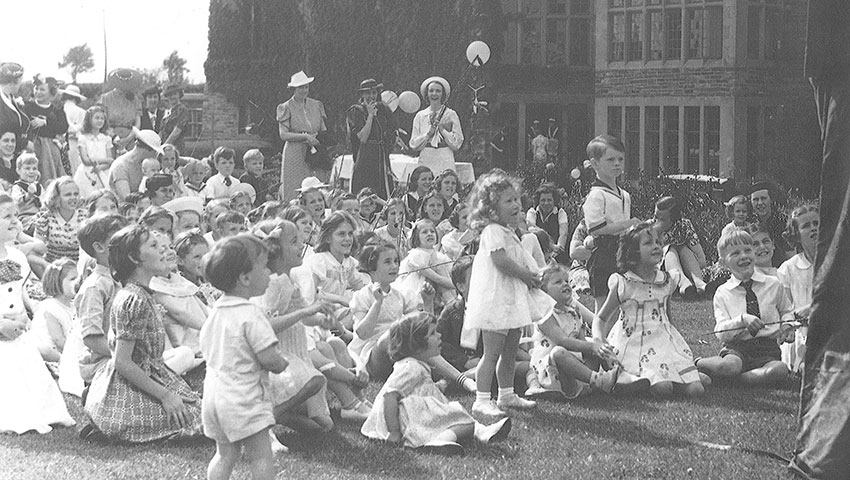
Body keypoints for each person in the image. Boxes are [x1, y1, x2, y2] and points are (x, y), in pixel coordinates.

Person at [83, 224, 203, 442]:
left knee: (205, 410)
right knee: (206, 420)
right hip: (128, 393)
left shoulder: (141, 293)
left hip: (151, 376)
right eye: (154, 245)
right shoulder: (134, 299)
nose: (164, 251)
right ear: (135, 258)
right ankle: (110, 424)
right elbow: (122, 362)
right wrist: (166, 396)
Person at [464, 169, 555, 418]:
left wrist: (535, 274)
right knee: (491, 353)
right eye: (508, 201)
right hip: (496, 302)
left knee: (510, 351)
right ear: (492, 209)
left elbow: (521, 260)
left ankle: (506, 394)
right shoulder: (493, 231)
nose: (516, 204)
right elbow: (501, 262)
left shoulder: (509, 232)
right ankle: (482, 399)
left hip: (511, 300)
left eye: (516, 199)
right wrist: (526, 276)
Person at [200, 233, 289, 479]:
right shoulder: (251, 313)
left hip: (214, 398)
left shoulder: (215, 312)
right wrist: (281, 363)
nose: (269, 273)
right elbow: (269, 357)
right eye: (263, 267)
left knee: (225, 454)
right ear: (245, 277)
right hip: (244, 398)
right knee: (260, 455)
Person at [361, 312, 511, 455]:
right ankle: (442, 439)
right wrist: (393, 432)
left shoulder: (418, 364)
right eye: (432, 333)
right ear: (417, 345)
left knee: (453, 408)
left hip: (411, 413)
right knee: (463, 421)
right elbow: (389, 396)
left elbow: (417, 389)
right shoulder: (410, 367)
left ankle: (483, 432)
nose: (439, 336)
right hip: (404, 419)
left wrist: (438, 387)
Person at [592, 222, 704, 398]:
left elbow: (667, 317)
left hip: (663, 342)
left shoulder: (666, 280)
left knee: (697, 390)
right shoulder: (624, 284)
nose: (656, 246)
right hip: (633, 345)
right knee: (663, 388)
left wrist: (676, 346)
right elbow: (601, 318)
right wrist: (598, 341)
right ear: (633, 252)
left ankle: (683, 374)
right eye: (648, 243)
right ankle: (626, 380)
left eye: (658, 242)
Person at [0, 194, 75, 434]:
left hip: (17, 332)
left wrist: (25, 315)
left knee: (30, 373)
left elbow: (18, 292)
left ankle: (41, 410)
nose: (15, 222)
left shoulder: (17, 257)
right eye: (7, 217)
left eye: (15, 215)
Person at [252, 220, 335, 434]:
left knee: (324, 428)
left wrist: (320, 320)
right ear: (274, 250)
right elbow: (265, 326)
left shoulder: (289, 279)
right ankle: (266, 419)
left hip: (297, 352)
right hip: (277, 355)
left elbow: (305, 318)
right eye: (294, 241)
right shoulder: (272, 283)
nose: (302, 245)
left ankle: (284, 415)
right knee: (315, 380)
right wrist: (303, 313)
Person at [527, 264, 647, 400]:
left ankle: (620, 376)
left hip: (577, 371)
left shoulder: (573, 312)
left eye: (566, 281)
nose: (565, 284)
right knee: (558, 352)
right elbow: (563, 341)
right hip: (554, 374)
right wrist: (592, 346)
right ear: (544, 292)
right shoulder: (544, 316)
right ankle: (600, 381)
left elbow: (582, 341)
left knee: (598, 345)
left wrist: (597, 347)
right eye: (558, 282)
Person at [695, 229, 794, 387]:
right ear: (723, 262)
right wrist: (742, 320)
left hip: (768, 350)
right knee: (729, 366)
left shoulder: (773, 284)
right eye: (735, 253)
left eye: (748, 250)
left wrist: (788, 326)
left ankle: (737, 380)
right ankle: (699, 364)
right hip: (737, 348)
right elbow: (720, 331)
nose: (743, 256)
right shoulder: (723, 293)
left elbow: (786, 311)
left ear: (754, 253)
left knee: (780, 369)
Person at [58, 214, 127, 396]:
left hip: (127, 355)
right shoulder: (95, 287)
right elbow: (91, 338)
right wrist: (124, 357)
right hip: (104, 361)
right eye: (120, 240)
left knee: (182, 355)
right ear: (99, 247)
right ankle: (98, 390)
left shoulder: (124, 277)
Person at [582, 135, 639, 310]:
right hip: (603, 254)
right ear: (595, 164)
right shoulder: (596, 195)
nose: (617, 164)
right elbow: (597, 229)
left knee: (625, 301)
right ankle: (600, 335)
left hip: (623, 252)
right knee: (605, 304)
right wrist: (627, 224)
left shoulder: (625, 195)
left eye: (620, 159)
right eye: (611, 159)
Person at [777, 205, 818, 374]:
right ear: (796, 234)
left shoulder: (838, 262)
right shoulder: (788, 269)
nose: (813, 228)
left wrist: (813, 308)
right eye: (806, 225)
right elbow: (785, 310)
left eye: (816, 223)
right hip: (802, 331)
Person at [277, 71, 328, 200]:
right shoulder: (286, 107)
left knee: (315, 184)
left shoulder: (316, 105)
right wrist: (304, 137)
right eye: (300, 87)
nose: (304, 90)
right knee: (294, 185)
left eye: (306, 87)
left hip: (314, 150)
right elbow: (283, 134)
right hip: (294, 151)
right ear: (294, 89)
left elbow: (323, 129)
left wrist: (317, 139)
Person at [347, 78, 396, 199]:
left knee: (384, 190)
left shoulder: (384, 110)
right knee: (365, 190)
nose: (372, 96)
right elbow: (362, 138)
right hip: (365, 156)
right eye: (368, 93)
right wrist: (370, 116)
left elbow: (392, 131)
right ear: (362, 94)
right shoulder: (356, 111)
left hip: (381, 156)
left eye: (374, 92)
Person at [654, 196, 708, 298]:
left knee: (682, 248)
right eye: (655, 217)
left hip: (685, 269)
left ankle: (700, 284)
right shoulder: (650, 229)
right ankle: (684, 284)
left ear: (673, 219)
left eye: (662, 219)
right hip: (660, 269)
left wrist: (683, 266)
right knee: (670, 249)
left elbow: (701, 260)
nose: (657, 222)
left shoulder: (684, 225)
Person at [395, 219, 454, 309]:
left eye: (432, 231)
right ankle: (451, 302)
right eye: (424, 232)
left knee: (441, 267)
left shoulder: (439, 256)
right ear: (416, 237)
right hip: (418, 290)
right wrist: (454, 285)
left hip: (435, 288)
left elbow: (451, 269)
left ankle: (451, 302)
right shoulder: (416, 255)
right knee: (439, 269)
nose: (429, 234)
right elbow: (437, 278)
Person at [410, 76, 463, 175]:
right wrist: (427, 134)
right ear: (427, 93)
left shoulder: (450, 114)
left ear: (442, 94)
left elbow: (457, 143)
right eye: (431, 91)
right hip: (426, 157)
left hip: (445, 157)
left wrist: (442, 130)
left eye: (438, 91)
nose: (434, 94)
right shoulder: (420, 115)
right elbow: (413, 144)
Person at [29, 258, 77, 362]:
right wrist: (76, 352)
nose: (77, 282)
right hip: (52, 352)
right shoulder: (50, 308)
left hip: (68, 348)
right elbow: (58, 340)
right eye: (72, 279)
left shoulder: (73, 305)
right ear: (57, 282)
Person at [24, 75, 69, 185]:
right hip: (32, 146)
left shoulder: (56, 109)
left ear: (51, 92)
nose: (38, 92)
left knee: (49, 175)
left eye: (42, 89)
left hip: (49, 148)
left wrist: (45, 122)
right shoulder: (28, 107)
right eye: (36, 88)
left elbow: (63, 127)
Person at [33, 177, 86, 262]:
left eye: (76, 194)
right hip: (54, 266)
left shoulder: (85, 217)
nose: (73, 198)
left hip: (79, 266)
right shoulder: (45, 219)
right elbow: (37, 248)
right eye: (68, 194)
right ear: (56, 197)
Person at [108, 129, 164, 200]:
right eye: (154, 151)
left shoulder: (146, 165)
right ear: (146, 149)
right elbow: (127, 198)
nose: (155, 155)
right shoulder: (121, 166)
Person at [749, 182, 793, 267]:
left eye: (763, 198)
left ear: (770, 199)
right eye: (755, 200)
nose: (760, 203)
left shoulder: (784, 221)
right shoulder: (749, 222)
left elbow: (791, 254)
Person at [98, 68, 142, 152]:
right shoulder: (105, 98)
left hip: (130, 140)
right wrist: (115, 138)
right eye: (121, 81)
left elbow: (137, 123)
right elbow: (102, 122)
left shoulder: (135, 100)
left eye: (127, 82)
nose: (124, 84)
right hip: (110, 139)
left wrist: (128, 139)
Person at [75, 105, 114, 198]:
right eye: (96, 118)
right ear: (89, 119)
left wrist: (100, 167)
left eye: (102, 118)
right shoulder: (83, 138)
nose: (100, 121)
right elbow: (86, 160)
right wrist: (105, 160)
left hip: (103, 170)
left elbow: (111, 160)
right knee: (87, 196)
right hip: (88, 172)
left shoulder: (106, 139)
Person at [526, 183, 569, 264]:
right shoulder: (532, 212)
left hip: (556, 253)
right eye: (543, 200)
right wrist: (550, 247)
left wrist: (558, 248)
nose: (546, 203)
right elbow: (532, 230)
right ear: (538, 201)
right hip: (537, 250)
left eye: (549, 200)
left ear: (554, 201)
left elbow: (563, 234)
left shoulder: (560, 213)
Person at [0, 63, 28, 156]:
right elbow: (4, 128)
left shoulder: (11, 98)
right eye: (20, 80)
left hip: (12, 153)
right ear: (13, 82)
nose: (21, 83)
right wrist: (24, 143)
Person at [11, 153, 42, 234]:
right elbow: (16, 202)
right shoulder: (18, 187)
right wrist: (28, 196)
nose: (31, 171)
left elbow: (45, 201)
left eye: (34, 168)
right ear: (18, 170)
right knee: (39, 225)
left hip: (40, 215)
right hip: (26, 218)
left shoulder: (39, 186)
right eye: (27, 168)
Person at [59, 84, 87, 174]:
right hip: (74, 143)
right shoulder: (81, 112)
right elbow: (83, 130)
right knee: (75, 168)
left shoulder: (59, 110)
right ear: (76, 98)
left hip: (60, 142)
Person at [159, 84, 189, 153]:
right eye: (169, 95)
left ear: (179, 95)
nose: (172, 97)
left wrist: (164, 147)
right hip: (163, 146)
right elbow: (161, 131)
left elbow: (176, 132)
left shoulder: (182, 110)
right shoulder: (167, 111)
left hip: (176, 147)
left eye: (174, 94)